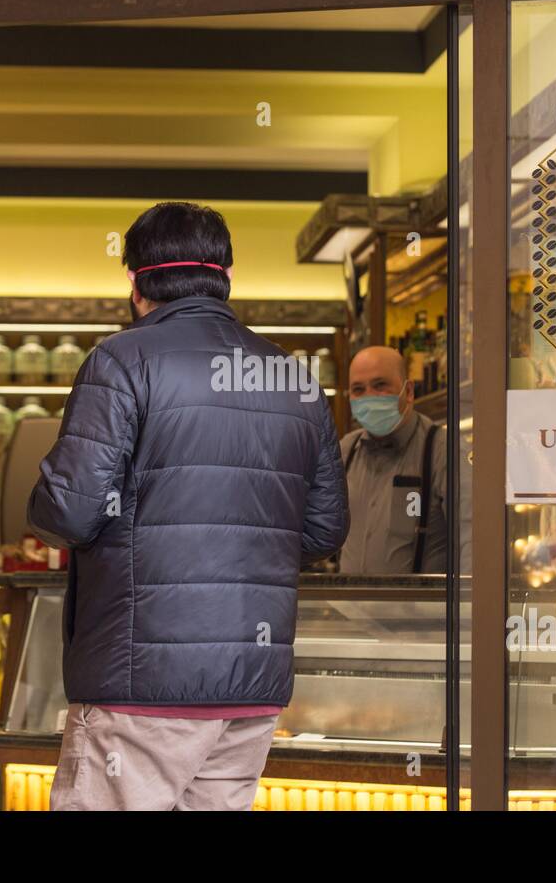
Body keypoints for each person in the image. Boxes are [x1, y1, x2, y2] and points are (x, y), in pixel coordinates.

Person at [26, 201, 349, 810]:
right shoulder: (295, 379)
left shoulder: (121, 360)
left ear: (133, 279)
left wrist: (44, 493)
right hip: (250, 685)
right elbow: (324, 531)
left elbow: (69, 512)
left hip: (139, 682)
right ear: (225, 275)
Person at [338, 345, 449, 574]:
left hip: (419, 609)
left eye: (380, 385)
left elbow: (472, 538)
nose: (368, 396)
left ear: (408, 391)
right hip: (348, 608)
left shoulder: (441, 449)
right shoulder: (345, 450)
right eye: (358, 390)